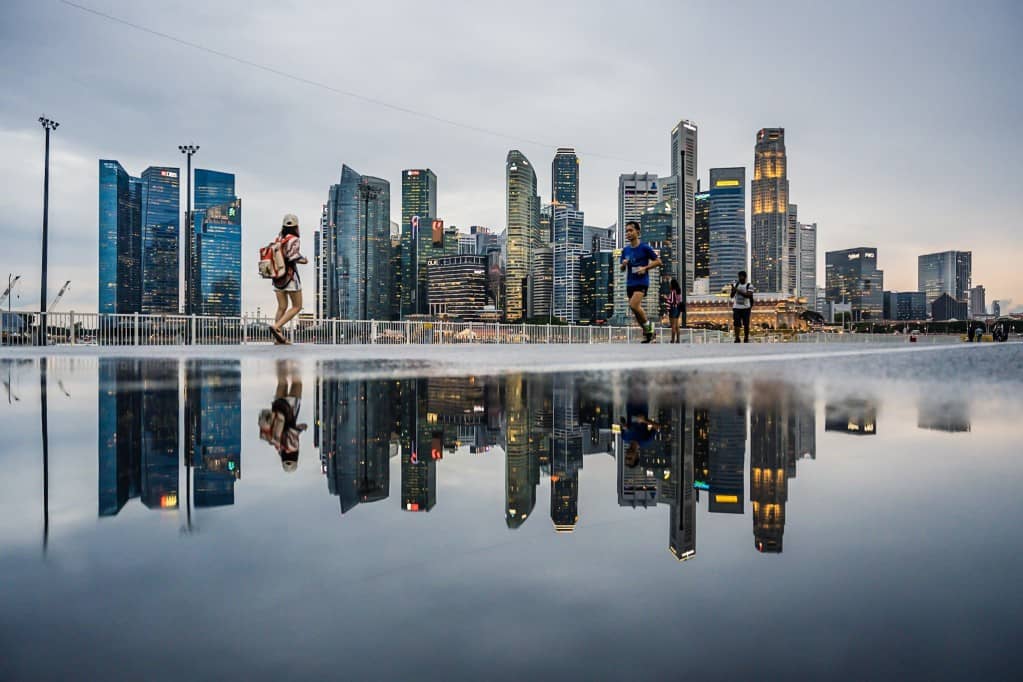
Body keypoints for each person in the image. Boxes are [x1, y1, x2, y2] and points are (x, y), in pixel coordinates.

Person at [258, 360, 307, 472]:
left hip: (290, 408)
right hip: (278, 407)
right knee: (282, 382)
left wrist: (302, 428)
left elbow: (293, 431)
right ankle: (281, 353)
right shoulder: (277, 445)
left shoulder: (293, 447)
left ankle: (293, 354)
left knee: (297, 382)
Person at [620, 221, 662, 343]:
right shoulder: (625, 250)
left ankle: (650, 329)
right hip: (630, 283)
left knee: (633, 305)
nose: (628, 233)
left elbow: (658, 261)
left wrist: (645, 268)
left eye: (631, 230)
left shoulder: (645, 248)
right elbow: (622, 269)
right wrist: (623, 265)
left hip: (642, 282)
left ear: (638, 232)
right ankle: (649, 333)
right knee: (635, 310)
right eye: (626, 231)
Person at [269, 214, 307, 345]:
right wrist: (304, 260)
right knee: (297, 306)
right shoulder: (294, 239)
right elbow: (293, 257)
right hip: (290, 276)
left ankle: (277, 339)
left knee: (282, 307)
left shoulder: (279, 239)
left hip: (277, 277)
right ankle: (277, 327)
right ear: (296, 226)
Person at [730, 270, 754, 343]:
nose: (740, 278)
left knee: (746, 324)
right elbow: (731, 296)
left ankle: (746, 338)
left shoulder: (749, 286)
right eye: (739, 276)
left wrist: (737, 290)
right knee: (736, 323)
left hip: (746, 308)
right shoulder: (736, 285)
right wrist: (733, 290)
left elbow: (747, 295)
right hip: (736, 307)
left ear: (745, 277)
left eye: (742, 276)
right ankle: (737, 338)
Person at [663, 278, 683, 343]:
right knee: (677, 325)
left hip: (673, 308)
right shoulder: (678, 291)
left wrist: (666, 298)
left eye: (670, 284)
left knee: (673, 325)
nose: (669, 285)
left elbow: (671, 300)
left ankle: (672, 340)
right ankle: (678, 340)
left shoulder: (672, 291)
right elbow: (679, 300)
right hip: (678, 309)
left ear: (672, 285)